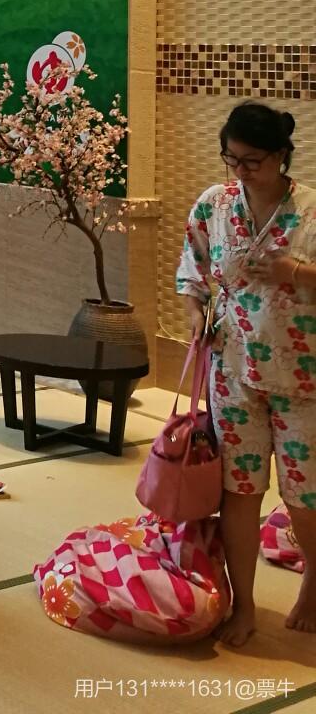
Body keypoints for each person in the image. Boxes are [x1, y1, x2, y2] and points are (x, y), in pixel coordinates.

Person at [177, 102, 316, 645]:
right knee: (239, 493)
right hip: (233, 372)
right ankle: (244, 605)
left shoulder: (310, 210)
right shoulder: (214, 204)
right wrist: (195, 314)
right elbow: (192, 273)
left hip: (305, 381)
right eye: (231, 158)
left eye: (252, 161)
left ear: (281, 156)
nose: (240, 171)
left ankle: (313, 582)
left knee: (305, 499)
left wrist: (293, 271)